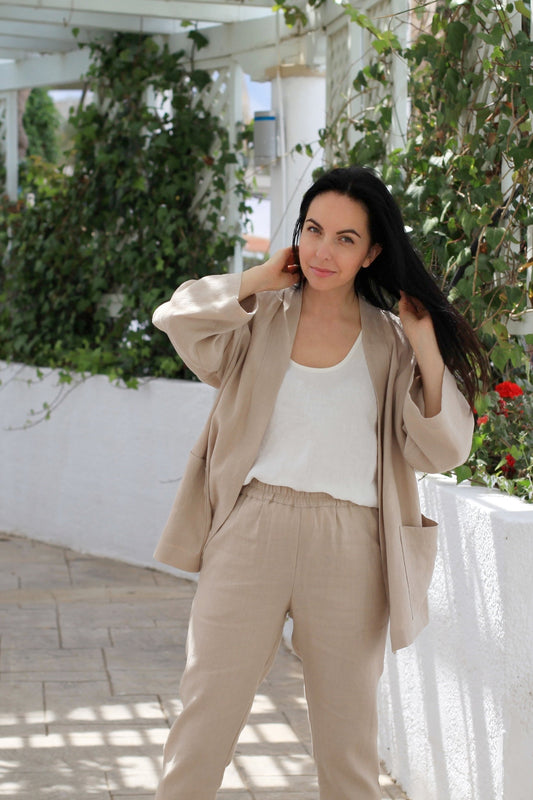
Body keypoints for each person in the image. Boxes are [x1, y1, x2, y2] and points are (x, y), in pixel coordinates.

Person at [151, 166, 488, 800]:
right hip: (251, 527)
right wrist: (256, 279)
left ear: (373, 252)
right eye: (312, 230)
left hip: (351, 544)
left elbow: (444, 448)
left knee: (347, 745)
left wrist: (426, 345)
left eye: (344, 239)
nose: (322, 251)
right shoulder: (259, 321)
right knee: (203, 721)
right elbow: (177, 316)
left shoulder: (390, 343)